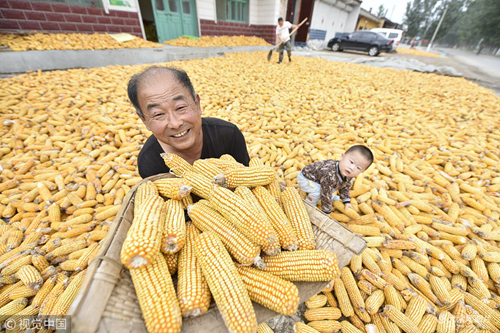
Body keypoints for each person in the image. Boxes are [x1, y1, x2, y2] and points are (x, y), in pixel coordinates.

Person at [127, 66, 250, 178]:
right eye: (158, 114)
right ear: (144, 120)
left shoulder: (229, 136)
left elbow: (249, 182)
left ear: (197, 104)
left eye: (180, 108)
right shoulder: (150, 162)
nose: (175, 123)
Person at [297, 145, 374, 214]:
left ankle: (329, 197)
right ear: (342, 156)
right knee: (318, 192)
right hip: (306, 178)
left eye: (358, 168)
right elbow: (325, 192)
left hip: (320, 181)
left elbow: (345, 187)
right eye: (351, 162)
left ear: (362, 172)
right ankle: (309, 205)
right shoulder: (329, 172)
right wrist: (326, 210)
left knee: (335, 186)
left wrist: (346, 201)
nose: (352, 168)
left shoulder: (348, 174)